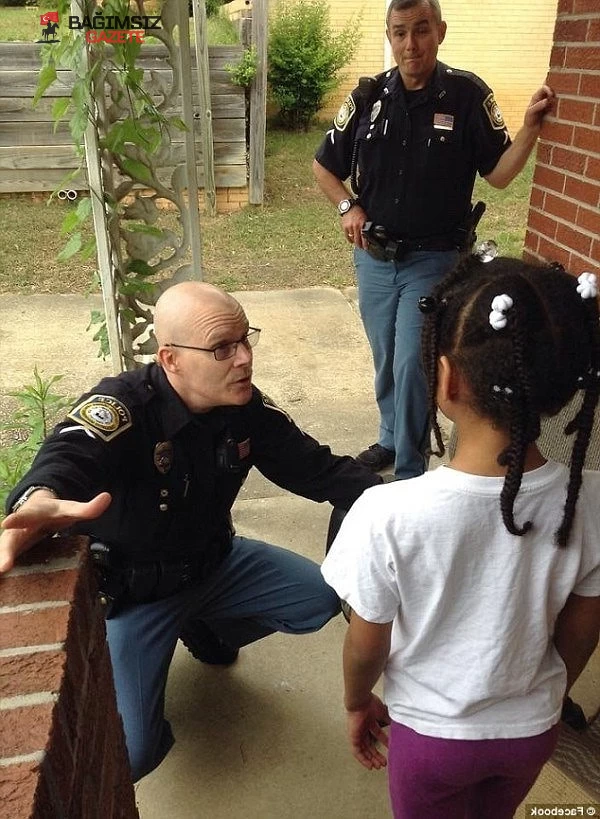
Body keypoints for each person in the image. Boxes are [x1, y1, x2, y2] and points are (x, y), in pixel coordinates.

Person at [0, 281, 381, 783]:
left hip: (217, 564)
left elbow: (324, 472)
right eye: (222, 347)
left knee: (320, 599)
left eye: (246, 340)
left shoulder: (245, 411)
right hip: (138, 596)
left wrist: (400, 504)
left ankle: (205, 626)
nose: (243, 358)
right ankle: (166, 652)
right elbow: (66, 459)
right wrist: (39, 501)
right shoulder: (123, 408)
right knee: (134, 754)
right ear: (171, 358)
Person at [321, 256, 600, 819]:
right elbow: (581, 630)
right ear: (563, 388)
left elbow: (367, 642)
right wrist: (542, 695)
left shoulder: (387, 512)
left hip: (431, 740)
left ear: (444, 378)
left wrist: (356, 702)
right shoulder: (590, 500)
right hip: (531, 734)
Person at [313, 0, 555, 480]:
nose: (410, 44)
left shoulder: (466, 96)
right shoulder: (368, 98)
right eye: (400, 32)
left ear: (440, 31)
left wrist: (529, 130)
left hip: (435, 259)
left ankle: (408, 471)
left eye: (420, 30)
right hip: (375, 259)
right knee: (386, 359)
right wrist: (348, 206)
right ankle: (390, 437)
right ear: (390, 36)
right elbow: (324, 166)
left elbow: (500, 174)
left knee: (412, 365)